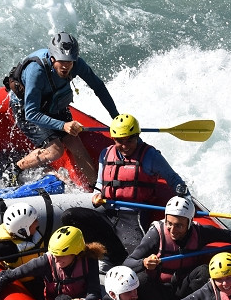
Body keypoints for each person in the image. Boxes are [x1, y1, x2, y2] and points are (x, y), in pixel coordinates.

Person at [61, 113, 188, 266]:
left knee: (138, 260)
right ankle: (107, 255)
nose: (125, 145)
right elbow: (101, 183)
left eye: (130, 139)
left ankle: (117, 258)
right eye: (120, 141)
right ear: (113, 139)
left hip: (134, 216)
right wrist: (96, 194)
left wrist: (186, 205)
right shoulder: (106, 153)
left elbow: (175, 181)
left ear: (137, 136)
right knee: (70, 216)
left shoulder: (150, 156)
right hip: (108, 213)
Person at [124, 195, 231, 300]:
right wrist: (144, 263)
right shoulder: (156, 234)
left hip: (185, 291)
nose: (172, 230)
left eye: (179, 225)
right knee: (142, 278)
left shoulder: (200, 233)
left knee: (204, 271)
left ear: (190, 223)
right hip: (158, 290)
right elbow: (127, 264)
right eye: (169, 223)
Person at [3, 31, 119, 179]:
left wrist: (115, 117)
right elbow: (31, 113)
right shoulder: (36, 71)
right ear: (52, 58)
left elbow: (98, 87)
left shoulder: (77, 64)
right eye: (61, 62)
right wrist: (63, 125)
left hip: (52, 102)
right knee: (55, 151)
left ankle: (95, 189)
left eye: (69, 62)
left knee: (77, 145)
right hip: (26, 108)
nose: (66, 66)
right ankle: (14, 169)